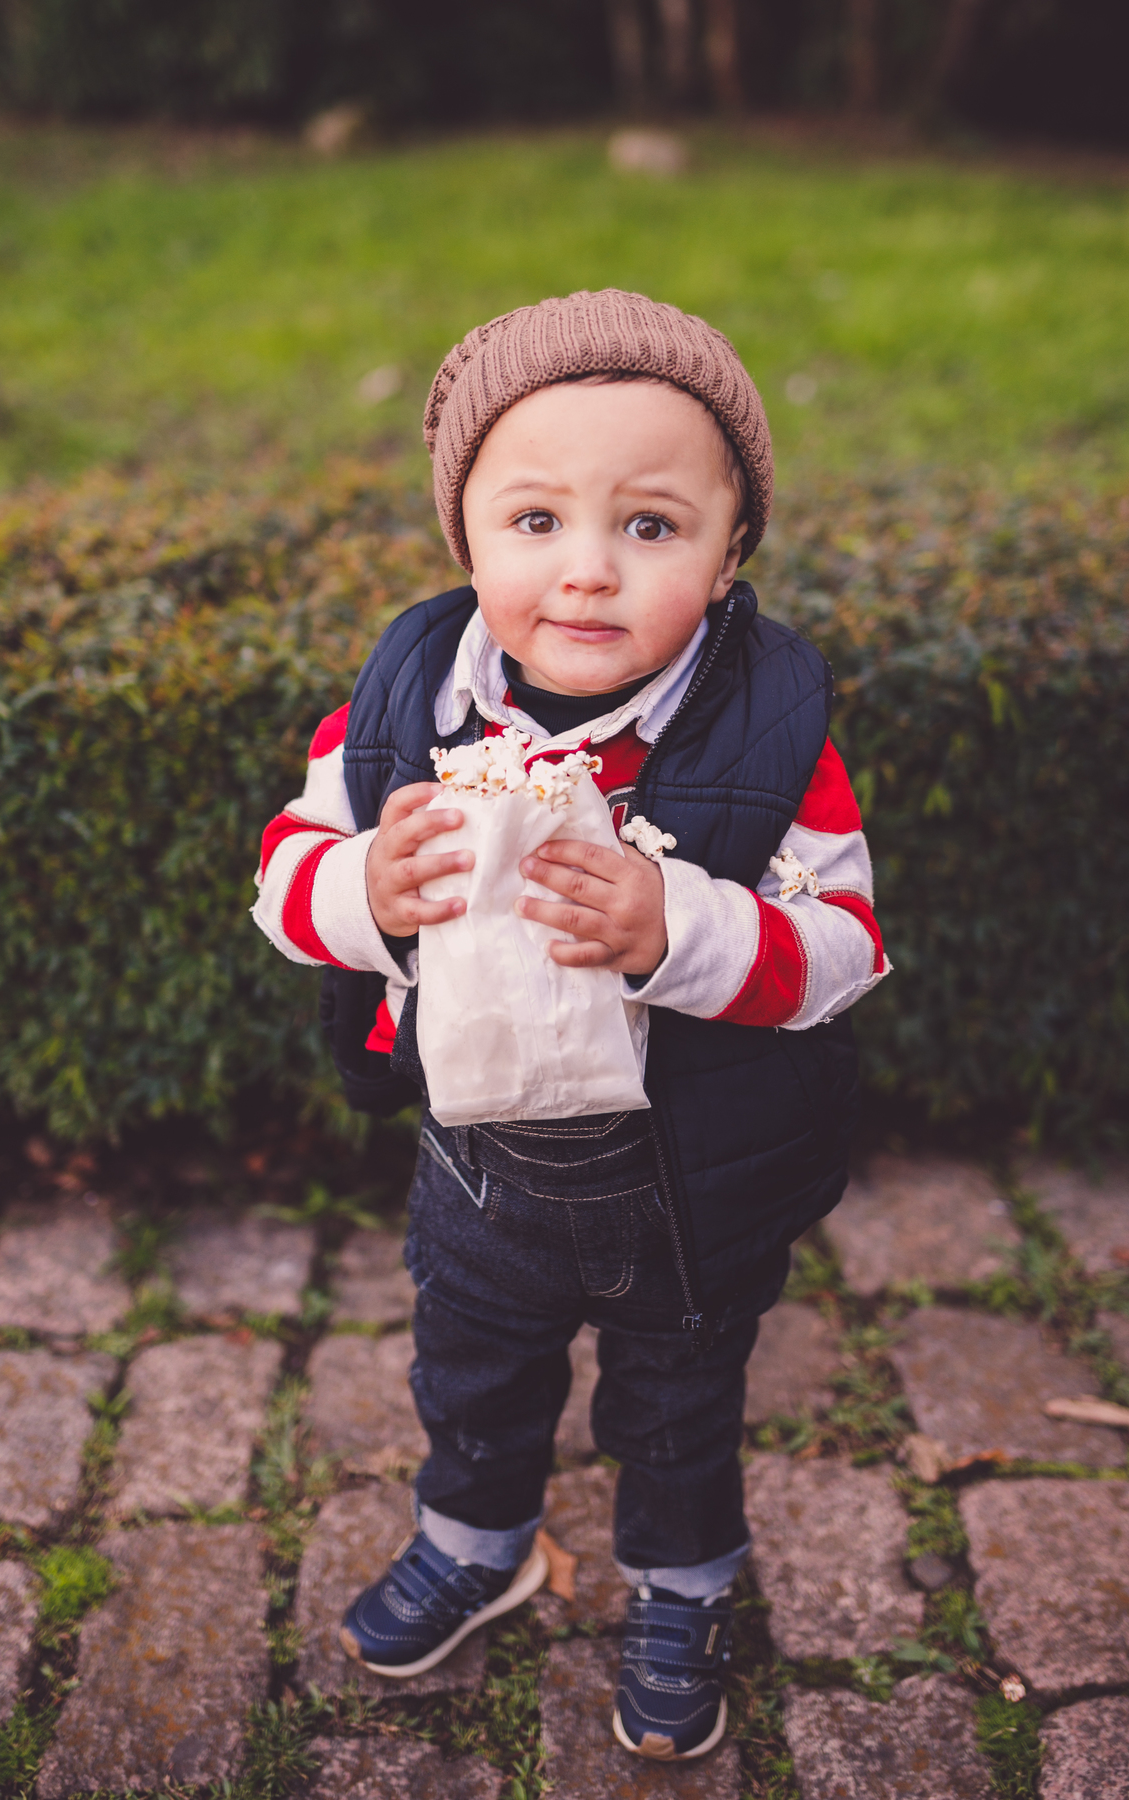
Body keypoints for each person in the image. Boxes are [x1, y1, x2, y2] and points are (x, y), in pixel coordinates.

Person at [253, 289, 888, 1763]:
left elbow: (845, 950)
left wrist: (678, 930)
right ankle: (478, 1539)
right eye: (535, 520)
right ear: (464, 535)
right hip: (480, 1164)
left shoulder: (772, 738)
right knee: (472, 1369)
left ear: (731, 558)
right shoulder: (407, 707)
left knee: (676, 1401)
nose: (589, 571)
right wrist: (364, 890)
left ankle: (682, 1586)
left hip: (687, 1177)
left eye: (653, 527)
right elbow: (284, 881)